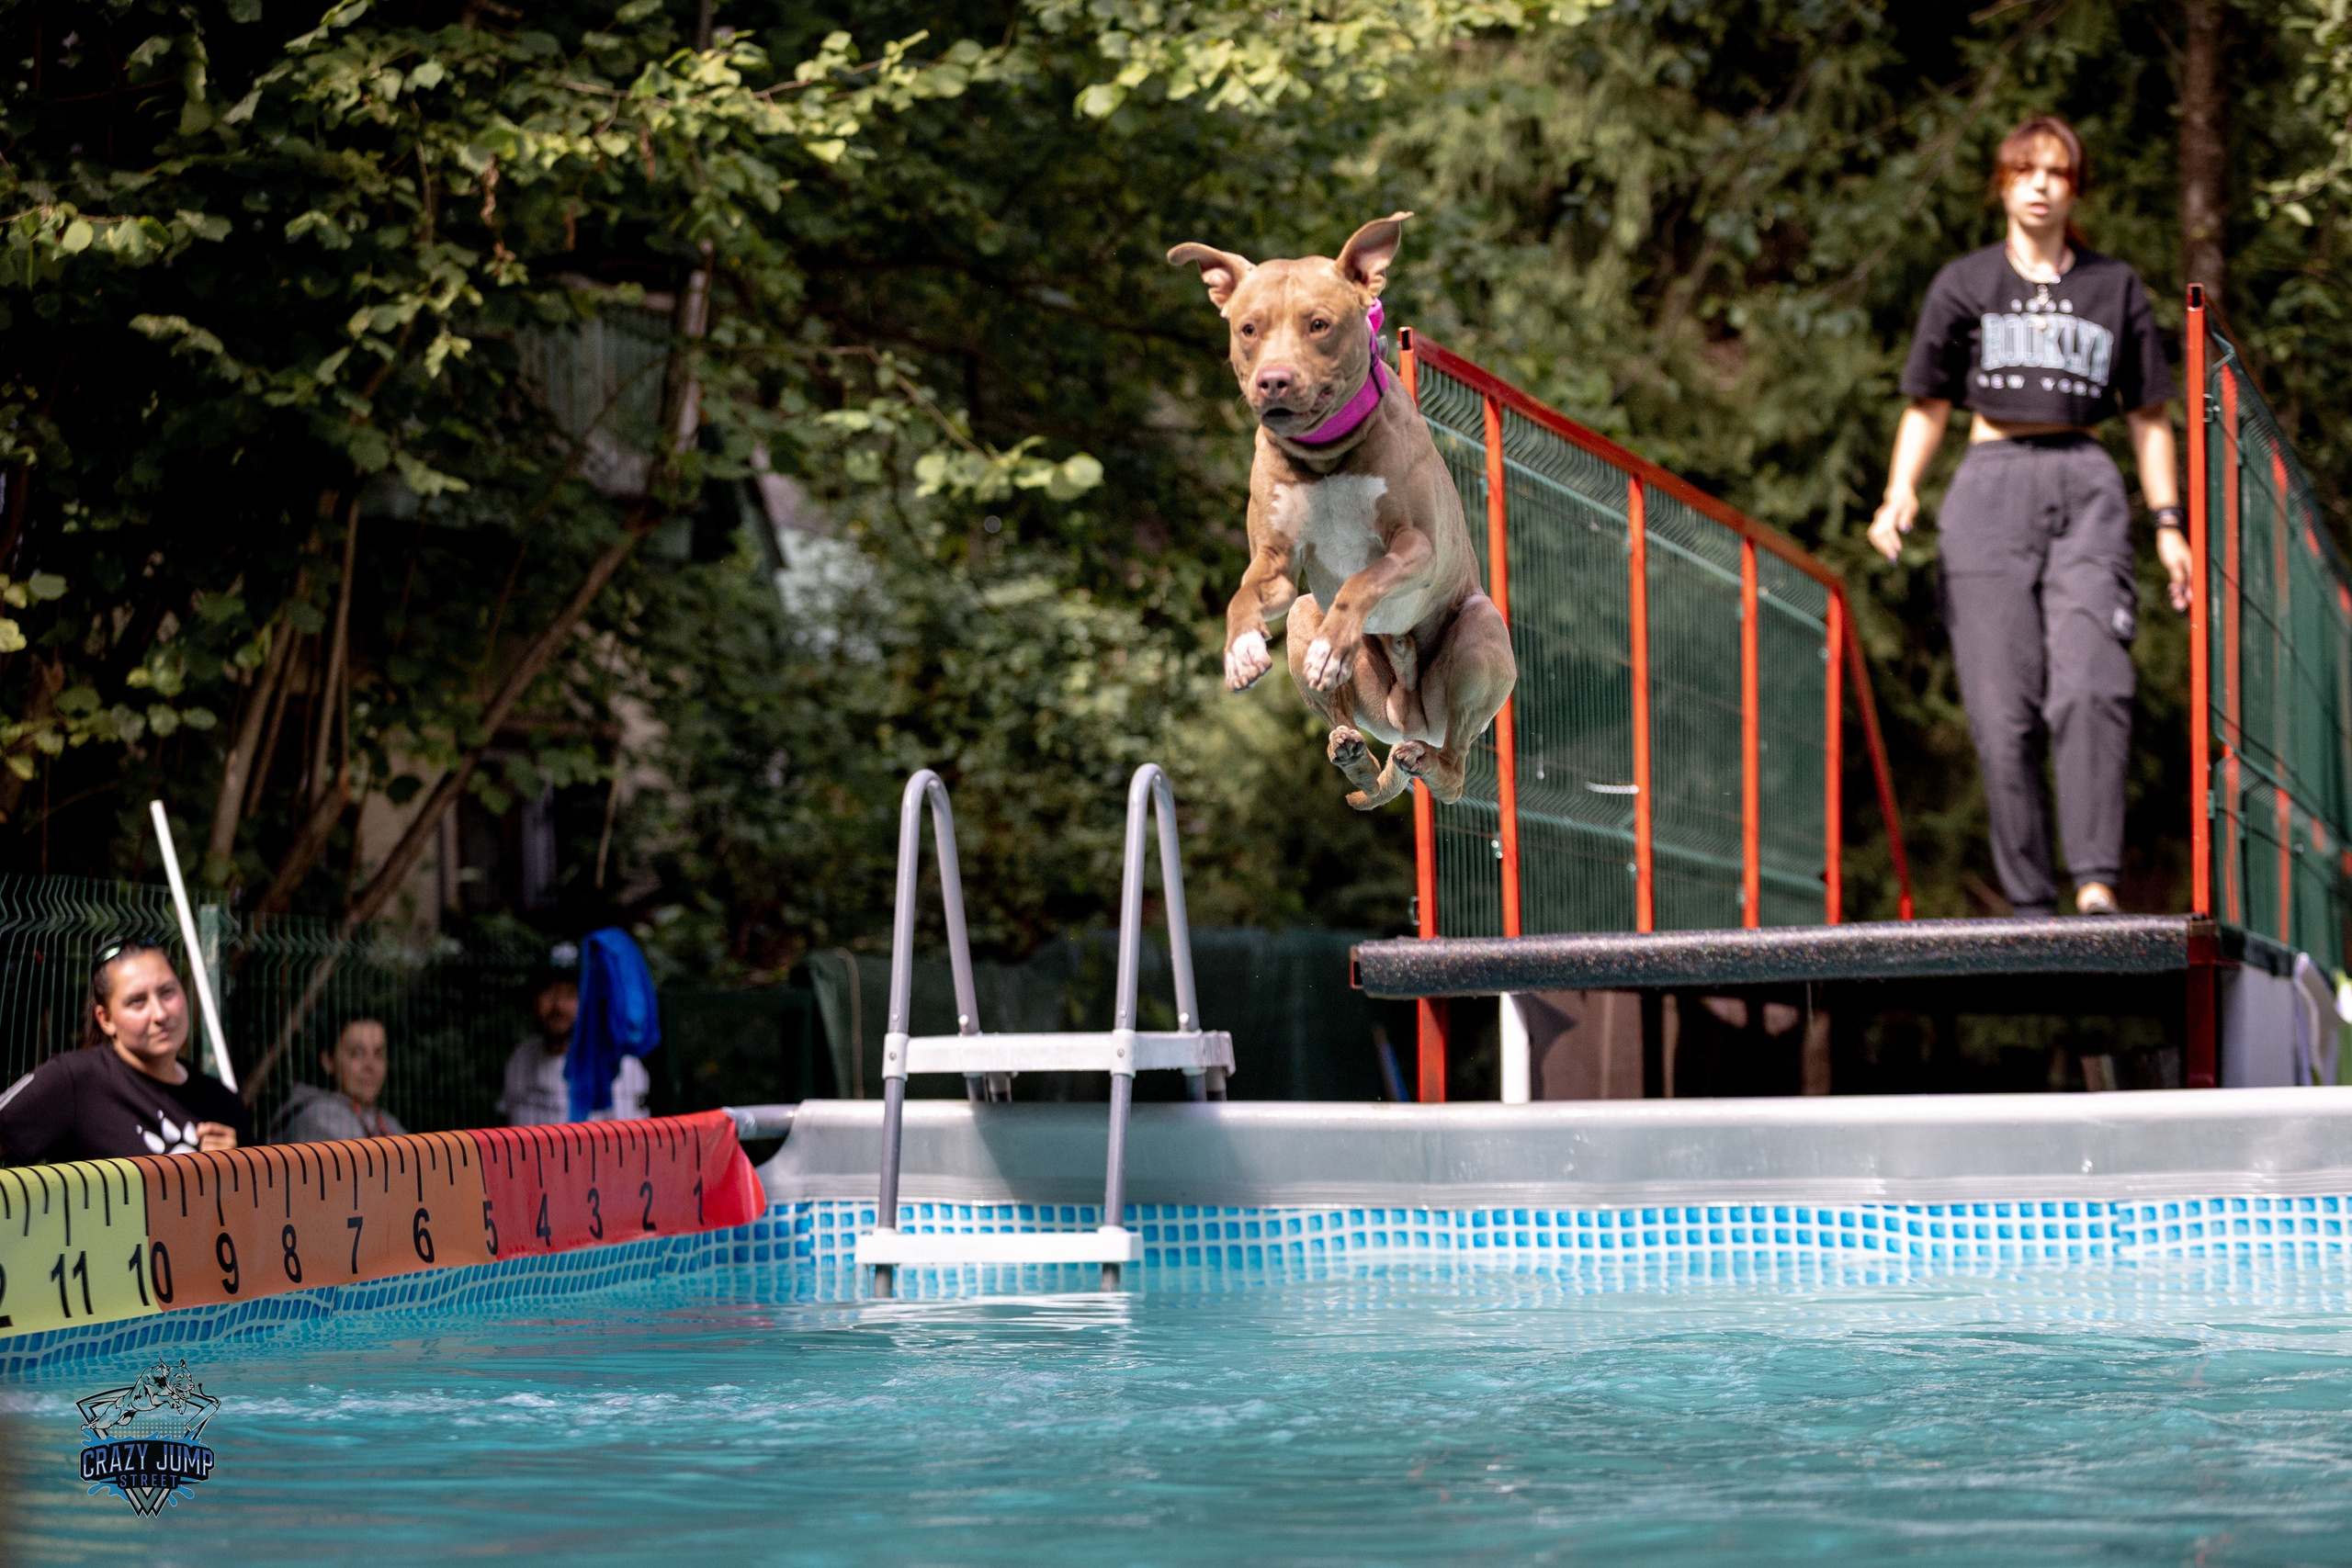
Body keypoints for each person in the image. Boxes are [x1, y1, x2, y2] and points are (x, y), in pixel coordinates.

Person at [1871, 114, 2191, 919]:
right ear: (2004, 184)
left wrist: (2168, 522)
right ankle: (2029, 900)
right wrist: (1900, 489)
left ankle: (2094, 881)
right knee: (1999, 707)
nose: (2042, 184)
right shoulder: (1965, 282)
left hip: (2086, 484)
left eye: (2057, 171)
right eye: (2026, 170)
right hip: (1988, 485)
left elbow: (2151, 417)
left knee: (2091, 685)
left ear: (2074, 187)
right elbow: (1927, 403)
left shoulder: (2112, 287)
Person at [0, 941, 251, 1163]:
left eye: (167, 992)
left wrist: (235, 1168)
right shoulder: (73, 1079)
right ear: (106, 1019)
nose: (160, 1014)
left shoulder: (222, 1102)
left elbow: (253, 1207)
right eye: (137, 1002)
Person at [496, 974, 649, 1126]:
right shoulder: (523, 1056)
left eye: (570, 994)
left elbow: (630, 1141)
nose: (558, 1006)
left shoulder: (619, 1064)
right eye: (550, 992)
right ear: (535, 999)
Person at [272, 1018, 406, 1144]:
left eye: (378, 1054)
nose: (370, 1066)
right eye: (357, 1053)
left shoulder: (385, 1120)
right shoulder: (322, 1118)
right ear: (328, 1061)